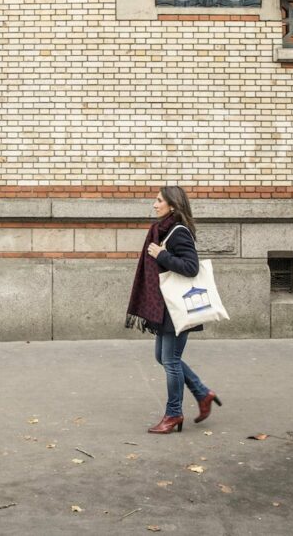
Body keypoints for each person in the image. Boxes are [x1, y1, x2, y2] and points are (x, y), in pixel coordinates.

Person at [126, 186, 222, 434]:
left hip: (176, 307)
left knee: (170, 360)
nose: (154, 204)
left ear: (172, 205)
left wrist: (162, 254)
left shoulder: (178, 233)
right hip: (166, 307)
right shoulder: (162, 229)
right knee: (164, 357)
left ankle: (173, 414)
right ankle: (202, 394)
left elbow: (191, 267)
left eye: (159, 200)